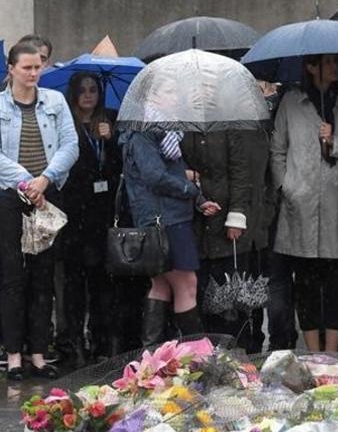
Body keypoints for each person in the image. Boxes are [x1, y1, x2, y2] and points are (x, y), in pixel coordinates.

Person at [271, 54, 338, 353]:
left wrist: (335, 141)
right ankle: (312, 352)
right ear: (311, 68)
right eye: (327, 62)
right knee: (306, 284)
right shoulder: (291, 102)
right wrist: (288, 187)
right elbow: (278, 150)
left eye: (337, 61)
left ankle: (332, 351)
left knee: (337, 282)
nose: (335, 66)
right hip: (300, 205)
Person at [0, 45, 78, 380]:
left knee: (43, 276)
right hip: (10, 196)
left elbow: (70, 144)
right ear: (11, 68)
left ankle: (38, 354)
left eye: (38, 67)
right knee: (13, 277)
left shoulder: (55, 102)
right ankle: (14, 354)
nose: (33, 73)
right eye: (27, 67)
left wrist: (45, 180)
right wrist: (26, 182)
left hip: (47, 196)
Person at [121, 83, 219, 348]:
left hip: (169, 215)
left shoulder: (167, 132)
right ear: (152, 97)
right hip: (163, 220)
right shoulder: (143, 130)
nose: (177, 96)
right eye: (170, 91)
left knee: (162, 286)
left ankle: (152, 355)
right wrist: (190, 190)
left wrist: (198, 200)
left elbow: (173, 171)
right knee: (187, 283)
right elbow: (154, 176)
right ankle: (197, 354)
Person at [181, 121, 271, 353]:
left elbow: (241, 173)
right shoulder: (181, 126)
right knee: (199, 294)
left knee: (230, 294)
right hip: (195, 219)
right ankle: (204, 353)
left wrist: (236, 214)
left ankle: (236, 351)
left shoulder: (229, 126)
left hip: (226, 221)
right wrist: (184, 174)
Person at [58, 73, 126, 363]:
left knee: (102, 282)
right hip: (73, 212)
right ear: (74, 94)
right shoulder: (65, 123)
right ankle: (73, 341)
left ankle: (100, 339)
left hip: (102, 212)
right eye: (83, 91)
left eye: (93, 90)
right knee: (74, 283)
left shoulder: (108, 120)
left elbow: (117, 168)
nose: (88, 95)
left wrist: (109, 141)